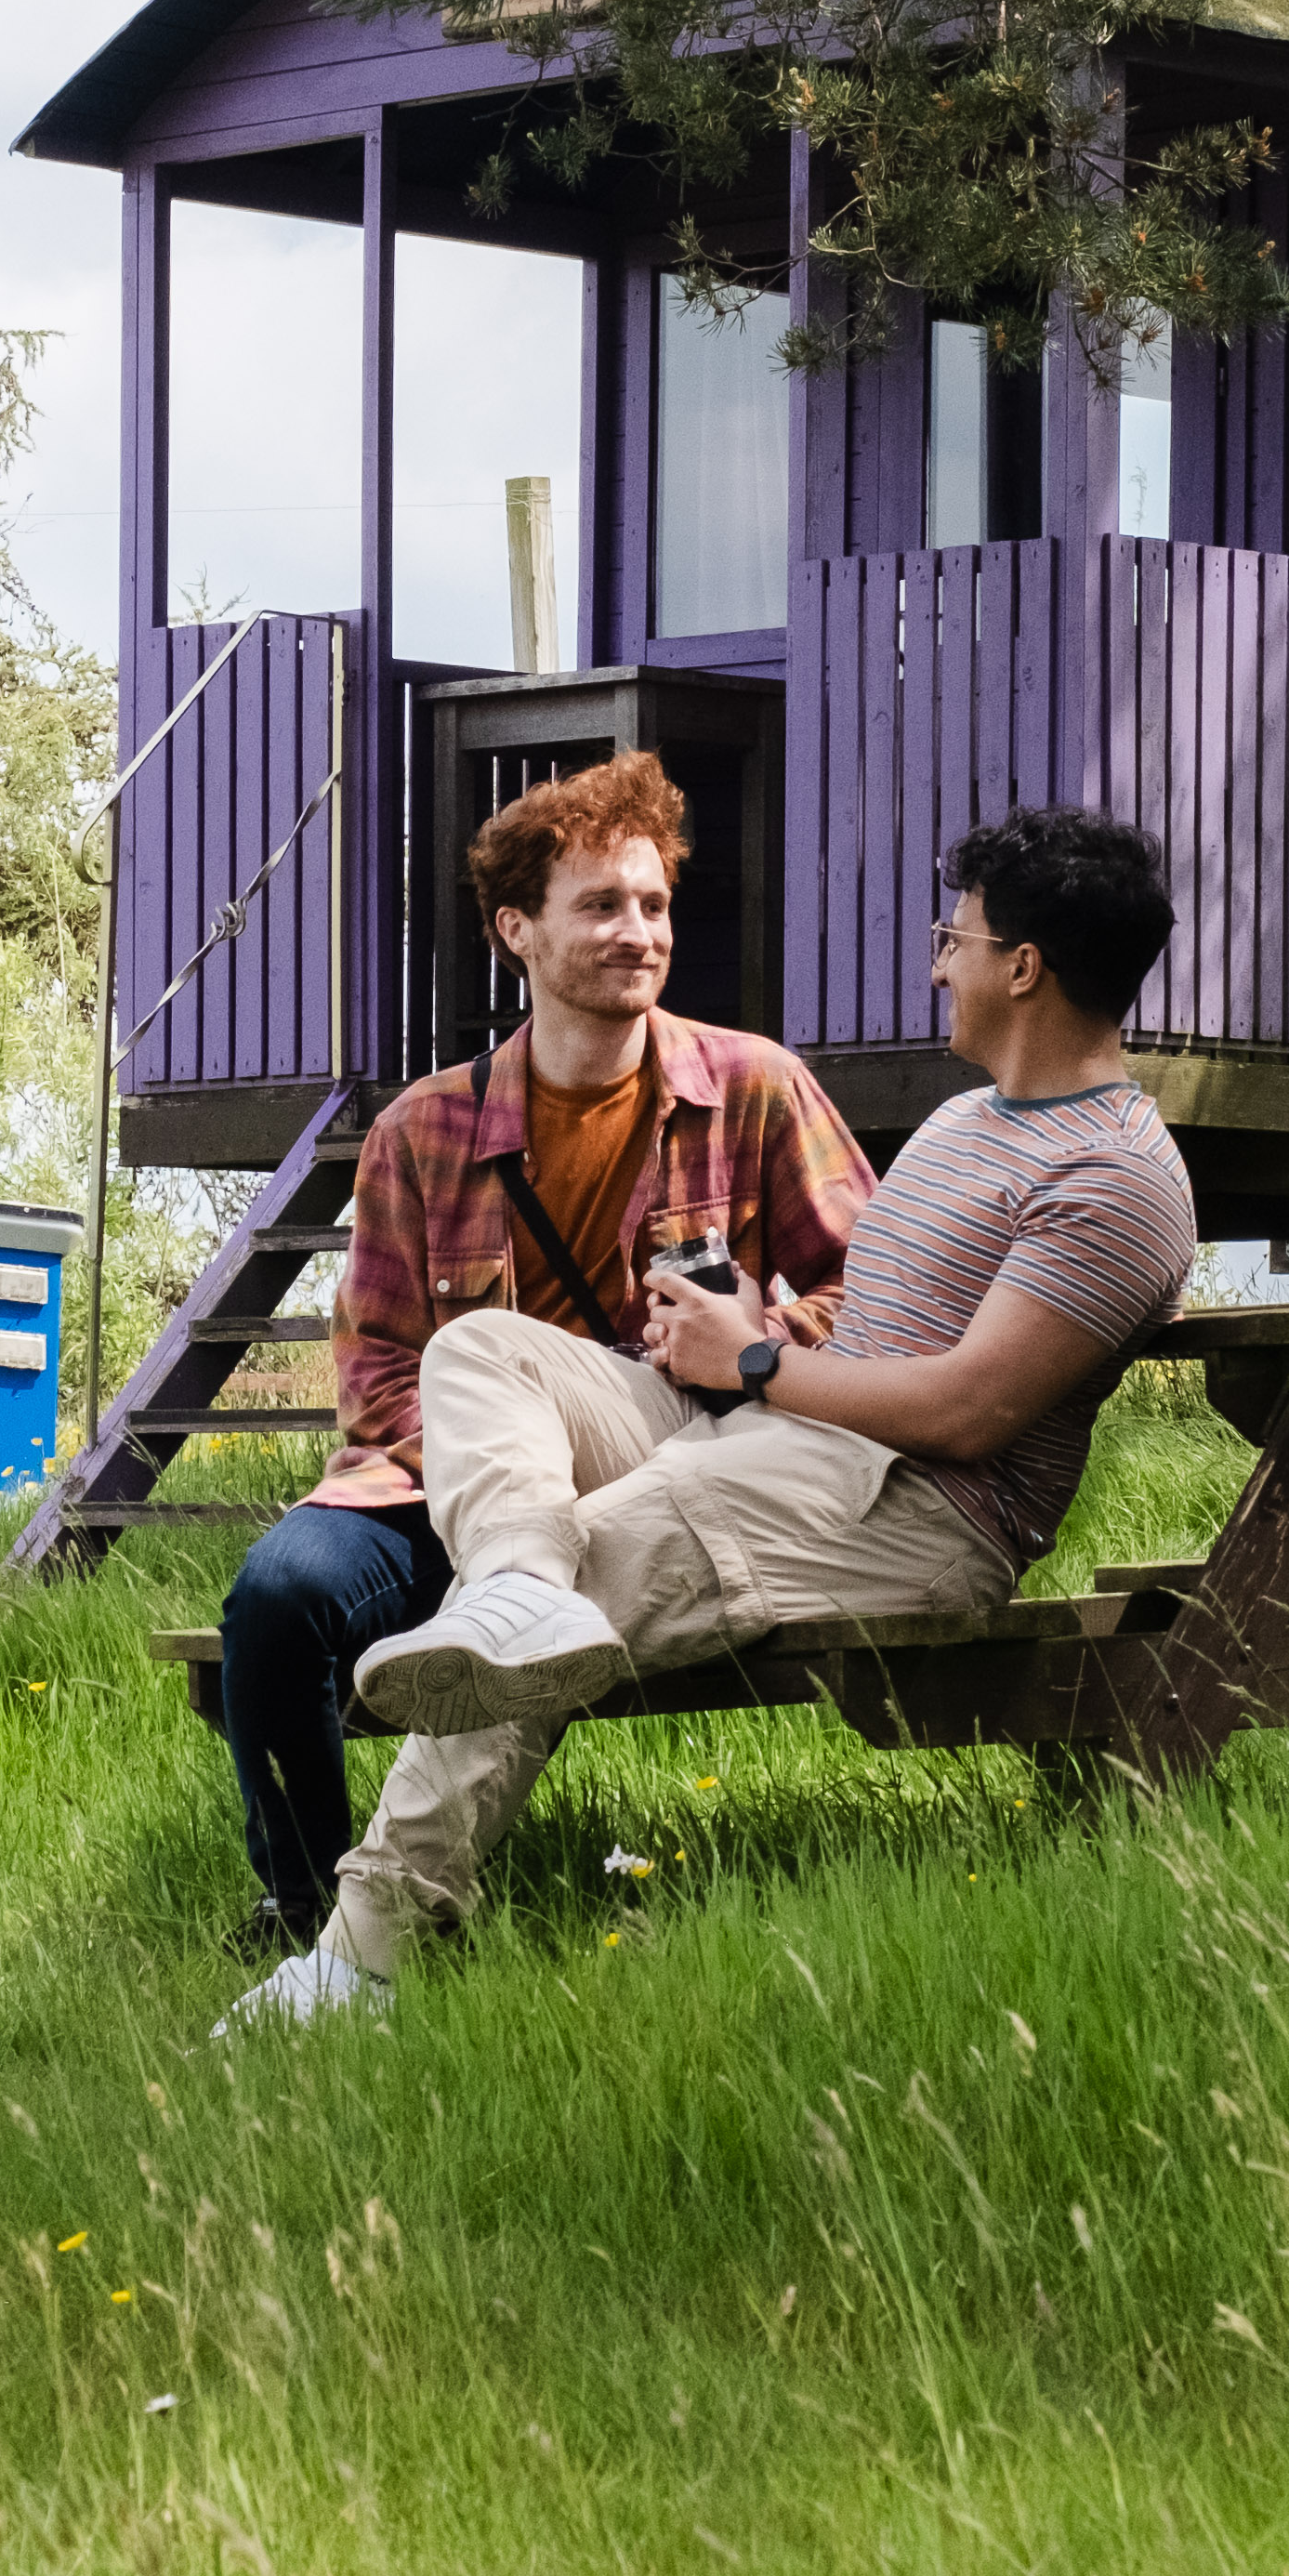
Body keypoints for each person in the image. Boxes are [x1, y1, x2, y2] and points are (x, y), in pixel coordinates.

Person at [225, 803, 1202, 2033]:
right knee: (485, 1355)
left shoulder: (1113, 1179)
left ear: (1024, 967)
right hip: (789, 1440)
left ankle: (361, 1957)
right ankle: (512, 1580)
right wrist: (760, 1331)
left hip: (917, 1511)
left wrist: (750, 1363)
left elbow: (966, 1409)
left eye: (955, 937)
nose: (939, 961)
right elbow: (870, 1322)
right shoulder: (967, 1122)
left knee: (612, 1543)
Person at [200, 753, 868, 1960]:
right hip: (447, 1493)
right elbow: (380, 1374)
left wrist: (762, 1342)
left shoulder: (759, 1092)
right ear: (517, 927)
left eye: (655, 904)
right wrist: (513, 1493)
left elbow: (869, 1293)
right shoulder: (421, 1132)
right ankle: (302, 1913)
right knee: (279, 1598)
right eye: (602, 906)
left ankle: (401, 1905)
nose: (639, 932)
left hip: (688, 1469)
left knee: (537, 1550)